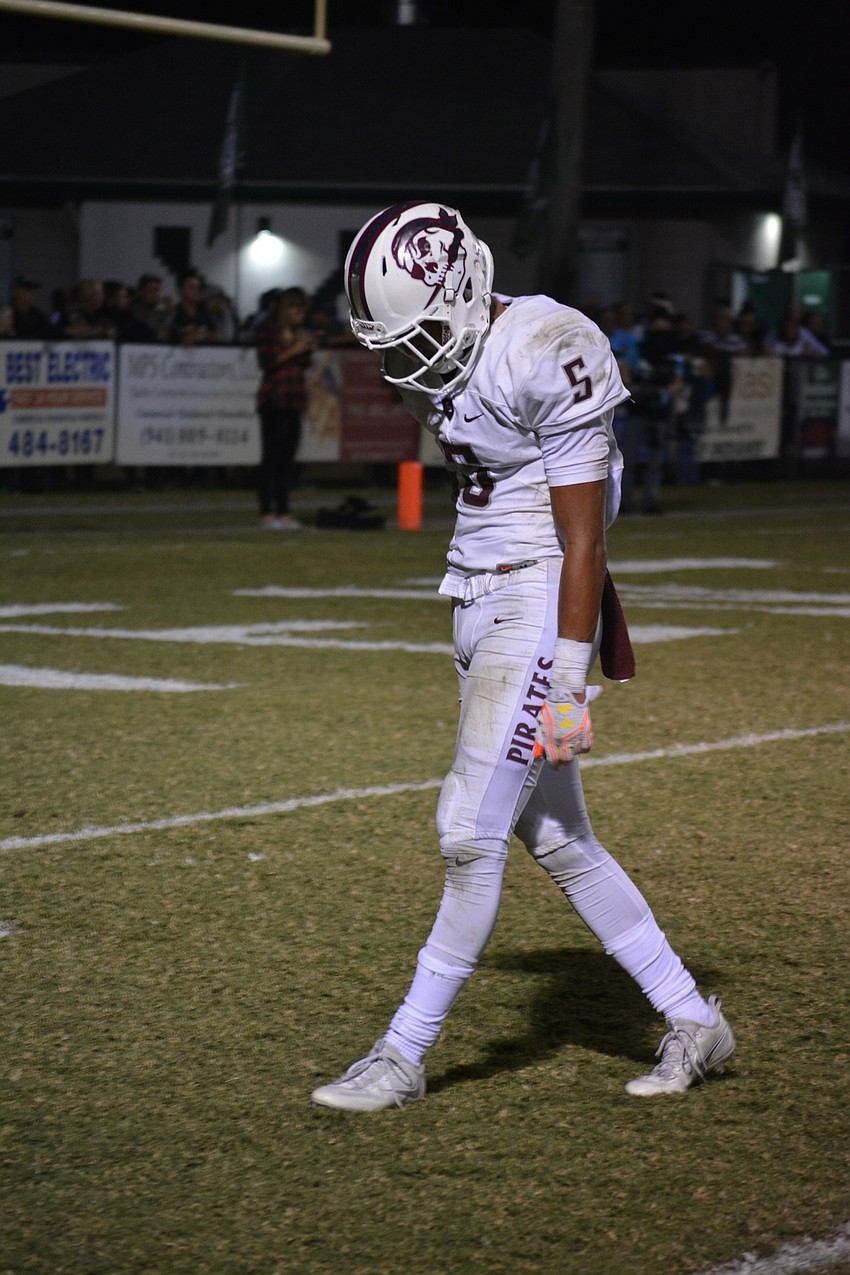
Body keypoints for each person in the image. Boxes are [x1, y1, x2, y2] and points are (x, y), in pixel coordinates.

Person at [311, 202, 735, 1111]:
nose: (407, 355)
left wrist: (571, 681)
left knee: (469, 831)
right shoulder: (457, 350)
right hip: (472, 591)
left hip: (536, 595)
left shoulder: (547, 342)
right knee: (556, 837)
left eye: (420, 329)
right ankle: (695, 1020)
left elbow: (583, 539)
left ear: (464, 290)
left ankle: (403, 1051)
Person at [253, 286, 316, 529]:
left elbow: (303, 363)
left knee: (288, 460)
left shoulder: (299, 332)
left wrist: (306, 348)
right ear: (286, 309)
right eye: (297, 310)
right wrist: (296, 349)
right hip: (274, 400)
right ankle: (267, 512)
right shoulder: (268, 329)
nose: (300, 316)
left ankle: (283, 511)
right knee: (272, 458)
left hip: (294, 399)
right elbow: (268, 362)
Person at [169, 269, 217, 346]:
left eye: (198, 288)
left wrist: (204, 335)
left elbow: (218, 334)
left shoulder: (206, 313)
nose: (196, 292)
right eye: (191, 288)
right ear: (181, 289)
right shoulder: (173, 314)